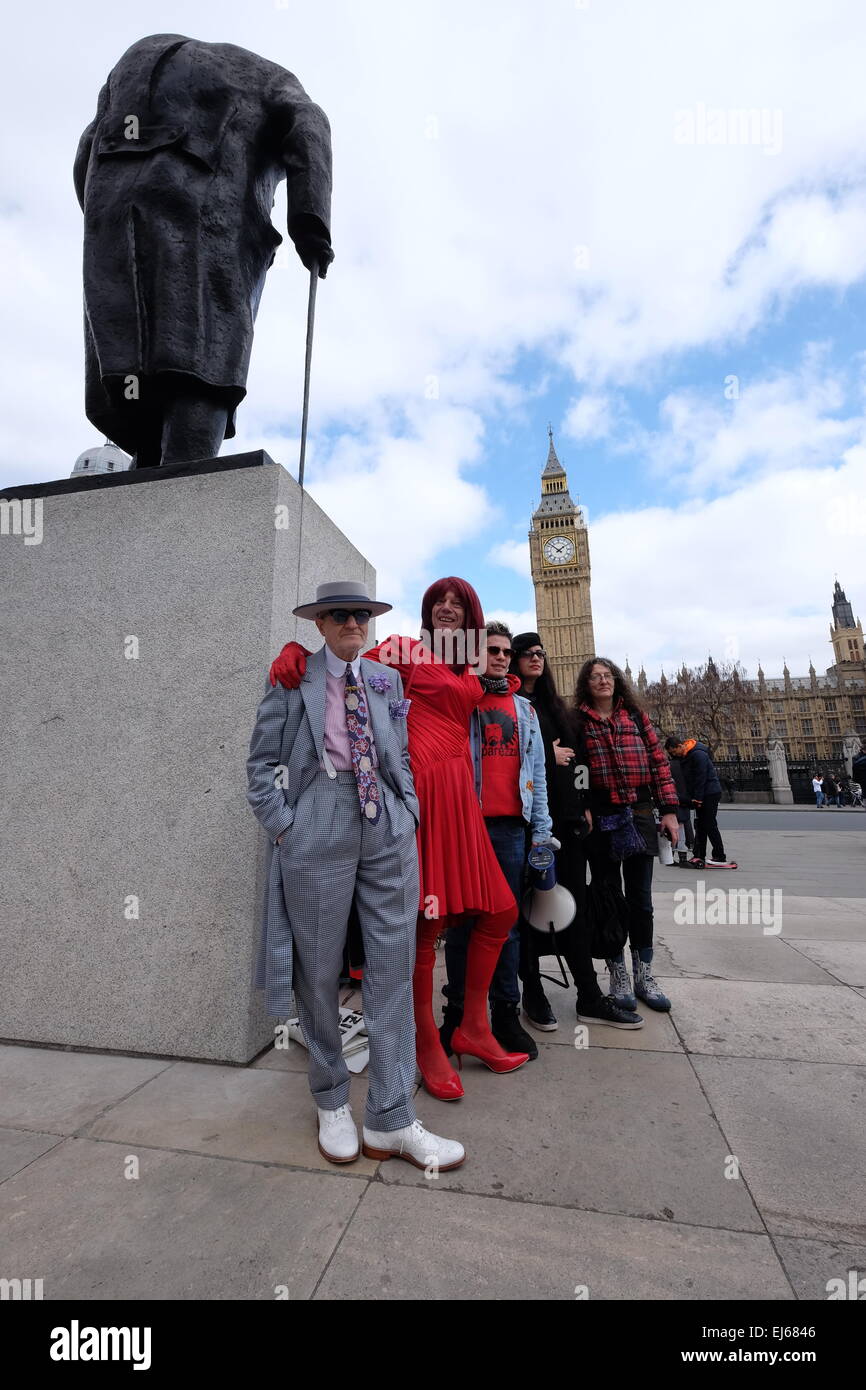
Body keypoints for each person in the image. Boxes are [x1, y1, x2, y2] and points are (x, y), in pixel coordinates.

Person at [268, 577, 530, 1105]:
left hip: (461, 795)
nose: (448, 610)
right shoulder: (404, 650)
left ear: (472, 614)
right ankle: (425, 1044)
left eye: (458, 603)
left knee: (500, 911)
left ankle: (473, 1029)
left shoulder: (474, 668)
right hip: (423, 791)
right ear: (427, 615)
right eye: (439, 604)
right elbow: (348, 659)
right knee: (424, 926)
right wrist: (295, 650)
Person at [246, 581, 463, 1170]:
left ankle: (392, 1118)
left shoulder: (388, 680)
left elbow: (409, 741)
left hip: (387, 824)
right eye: (339, 615)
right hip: (319, 816)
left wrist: (409, 808)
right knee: (317, 968)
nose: (352, 624)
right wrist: (287, 826)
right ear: (319, 624)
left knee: (392, 968)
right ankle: (332, 1098)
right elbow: (261, 766)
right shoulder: (293, 679)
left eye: (360, 615)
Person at [75, 34, 333, 467]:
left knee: (133, 357)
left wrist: (103, 209)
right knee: (202, 358)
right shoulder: (275, 83)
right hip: (204, 204)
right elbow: (310, 121)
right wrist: (310, 223)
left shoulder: (140, 55)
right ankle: (184, 493)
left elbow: (86, 151)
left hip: (111, 202)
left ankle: (147, 469)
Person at [439, 623, 557, 1062]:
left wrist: (541, 832)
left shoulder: (525, 711)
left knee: (505, 929)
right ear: (475, 653)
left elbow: (538, 776)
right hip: (465, 825)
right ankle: (457, 1018)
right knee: (459, 927)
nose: (503, 657)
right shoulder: (460, 701)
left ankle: (504, 1013)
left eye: (507, 651)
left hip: (510, 830)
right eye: (493, 649)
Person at [573, 660, 681, 1016]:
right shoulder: (578, 722)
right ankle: (617, 975)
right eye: (595, 677)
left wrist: (669, 810)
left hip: (638, 813)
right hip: (601, 818)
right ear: (586, 685)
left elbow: (659, 764)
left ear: (616, 681)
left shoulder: (636, 717)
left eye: (607, 676)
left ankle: (644, 976)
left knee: (641, 900)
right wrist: (584, 805)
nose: (602, 681)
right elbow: (577, 771)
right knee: (607, 899)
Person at [509, 632, 592, 1031]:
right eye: (526, 654)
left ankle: (589, 992)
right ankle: (533, 993)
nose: (535, 659)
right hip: (525, 826)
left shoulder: (559, 710)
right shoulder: (509, 706)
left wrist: (584, 806)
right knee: (526, 913)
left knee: (574, 907)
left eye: (540, 653)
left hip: (566, 824)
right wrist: (546, 750)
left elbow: (580, 764)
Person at [665, 735, 737, 868]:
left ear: (680, 746)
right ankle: (699, 854)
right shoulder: (687, 755)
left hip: (709, 792)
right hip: (703, 793)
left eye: (674, 752)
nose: (674, 755)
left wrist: (697, 798)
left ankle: (720, 856)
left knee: (709, 824)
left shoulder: (698, 754)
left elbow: (700, 777)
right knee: (700, 826)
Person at [667, 753, 695, 864]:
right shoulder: (686, 765)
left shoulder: (668, 765)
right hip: (684, 800)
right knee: (682, 829)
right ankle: (682, 857)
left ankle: (670, 857)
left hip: (672, 799)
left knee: (673, 831)